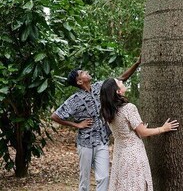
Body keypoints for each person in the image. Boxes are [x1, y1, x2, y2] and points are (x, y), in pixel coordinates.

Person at [51, 57, 141, 191]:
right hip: (85, 143)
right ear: (79, 81)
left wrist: (137, 63)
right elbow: (55, 116)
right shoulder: (74, 100)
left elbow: (121, 78)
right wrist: (77, 125)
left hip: (102, 141)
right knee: (84, 179)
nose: (86, 72)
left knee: (104, 177)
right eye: (82, 72)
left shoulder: (100, 87)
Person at [100, 78, 179, 191]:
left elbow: (125, 131)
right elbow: (142, 132)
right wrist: (163, 128)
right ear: (117, 91)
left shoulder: (108, 111)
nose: (122, 82)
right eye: (119, 82)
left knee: (124, 185)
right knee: (135, 185)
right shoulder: (129, 108)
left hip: (120, 154)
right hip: (133, 154)